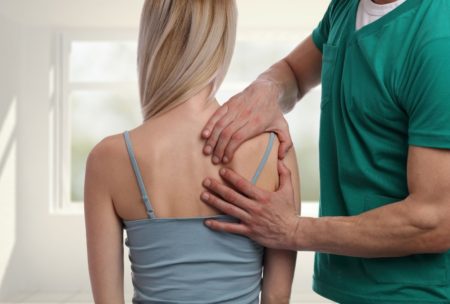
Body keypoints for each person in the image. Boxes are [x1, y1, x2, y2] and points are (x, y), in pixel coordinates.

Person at [200, 0, 450, 303]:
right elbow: (293, 71)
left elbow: (437, 220)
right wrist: (268, 89)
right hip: (351, 287)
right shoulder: (346, 7)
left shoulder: (438, 39)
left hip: (418, 294)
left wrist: (292, 230)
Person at [83, 1, 300, 303]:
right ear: (222, 42)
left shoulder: (107, 158)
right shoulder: (275, 148)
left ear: (151, 40)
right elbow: (276, 298)